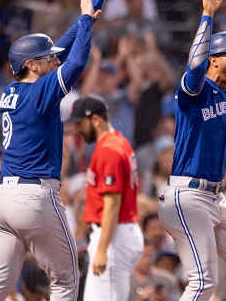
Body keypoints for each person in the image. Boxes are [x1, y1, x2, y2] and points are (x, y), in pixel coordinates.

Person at [0, 0, 101, 300]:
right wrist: (83, 21)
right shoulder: (40, 91)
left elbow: (61, 51)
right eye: (47, 59)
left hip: (0, 200)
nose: (54, 61)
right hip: (33, 197)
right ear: (31, 65)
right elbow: (76, 63)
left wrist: (86, 20)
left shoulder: (11, 91)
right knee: (66, 279)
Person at [156, 0, 226, 300]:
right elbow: (194, 65)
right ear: (214, 59)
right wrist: (207, 14)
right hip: (186, 195)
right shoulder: (194, 90)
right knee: (203, 283)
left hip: (215, 198)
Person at [67, 95, 144, 300]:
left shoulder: (110, 150)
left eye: (80, 123)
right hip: (114, 234)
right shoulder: (118, 142)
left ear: (95, 120)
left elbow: (112, 205)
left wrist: (102, 250)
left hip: (113, 236)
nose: (77, 130)